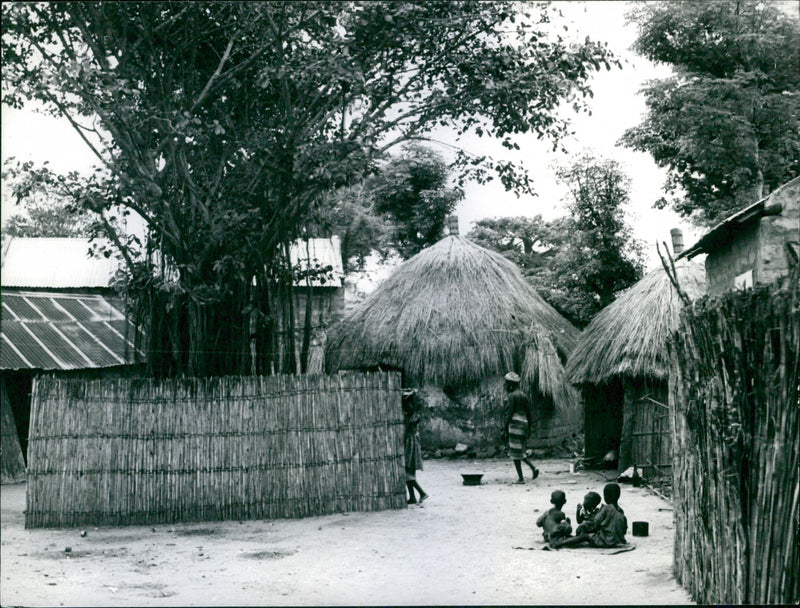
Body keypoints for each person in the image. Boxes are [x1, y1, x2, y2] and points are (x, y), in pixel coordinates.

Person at [554, 483, 628, 548]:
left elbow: (597, 521)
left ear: (606, 496)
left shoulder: (606, 508)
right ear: (618, 495)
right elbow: (624, 529)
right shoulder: (621, 511)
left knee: (585, 537)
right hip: (617, 540)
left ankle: (559, 544)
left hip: (605, 541)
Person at [502, 372, 539, 483]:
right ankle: (532, 468)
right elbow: (529, 414)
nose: (506, 386)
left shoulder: (511, 396)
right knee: (519, 450)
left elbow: (510, 412)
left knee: (515, 452)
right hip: (524, 423)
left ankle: (522, 478)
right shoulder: (524, 396)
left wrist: (504, 427)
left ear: (511, 384)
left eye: (507, 383)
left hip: (515, 424)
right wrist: (529, 428)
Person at [402, 389, 429, 505]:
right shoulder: (412, 413)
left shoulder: (412, 415)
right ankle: (412, 497)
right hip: (412, 443)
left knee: (407, 471)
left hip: (410, 444)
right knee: (409, 470)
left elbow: (407, 429)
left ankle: (422, 493)